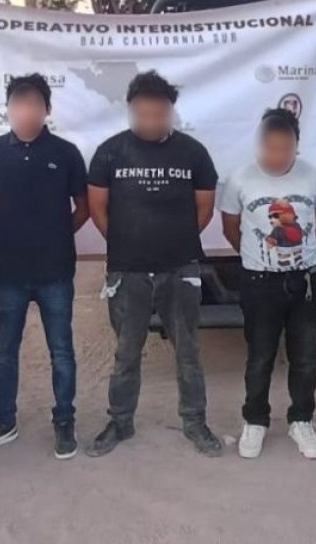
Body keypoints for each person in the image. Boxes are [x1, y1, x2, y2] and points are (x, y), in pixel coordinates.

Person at [86, 71, 222, 458]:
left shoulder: (193, 153)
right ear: (131, 110)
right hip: (127, 269)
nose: (150, 120)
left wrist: (173, 241)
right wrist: (128, 243)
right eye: (143, 113)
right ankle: (120, 422)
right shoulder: (110, 152)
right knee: (126, 351)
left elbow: (204, 209)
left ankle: (195, 422)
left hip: (179, 267)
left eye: (158, 113)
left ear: (170, 112)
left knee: (188, 351)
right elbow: (97, 208)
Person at [0, 74, 89, 460]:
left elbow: (83, 206)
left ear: (47, 109)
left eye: (34, 104)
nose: (25, 111)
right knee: (4, 351)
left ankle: (64, 420)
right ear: (8, 110)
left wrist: (57, 233)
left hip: (55, 270)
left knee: (61, 350)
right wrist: (8, 232)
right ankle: (3, 421)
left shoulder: (66, 153)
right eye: (18, 104)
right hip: (9, 272)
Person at [220, 108, 316, 460]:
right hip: (259, 283)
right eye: (270, 147)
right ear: (259, 145)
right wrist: (259, 259)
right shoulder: (239, 179)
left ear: (297, 146)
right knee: (260, 356)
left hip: (305, 282)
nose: (277, 155)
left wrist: (298, 258)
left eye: (285, 148)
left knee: (305, 357)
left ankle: (302, 419)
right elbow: (230, 228)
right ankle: (255, 420)